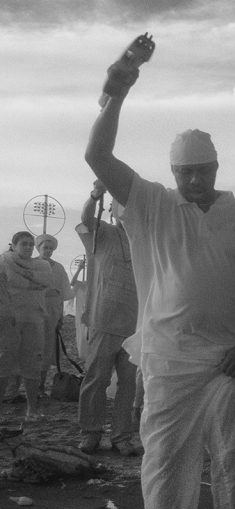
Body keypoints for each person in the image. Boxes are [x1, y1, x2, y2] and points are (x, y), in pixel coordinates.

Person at [85, 58, 235, 509]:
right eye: (185, 172)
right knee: (163, 463)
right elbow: (97, 155)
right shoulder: (153, 203)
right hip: (169, 361)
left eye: (202, 170)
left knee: (230, 460)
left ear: (217, 166)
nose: (194, 180)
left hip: (229, 360)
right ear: (173, 173)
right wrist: (117, 94)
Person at [75, 181, 140, 456]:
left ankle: (122, 436)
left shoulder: (145, 241)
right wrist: (95, 195)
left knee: (128, 385)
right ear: (112, 212)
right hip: (103, 318)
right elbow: (86, 218)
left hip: (135, 325)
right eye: (120, 207)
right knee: (96, 379)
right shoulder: (101, 234)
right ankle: (91, 433)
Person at [0, 231, 51, 420]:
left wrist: (26, 281)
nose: (28, 247)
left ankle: (33, 410)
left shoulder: (43, 265)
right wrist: (32, 283)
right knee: (4, 364)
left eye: (31, 244)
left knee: (32, 365)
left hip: (34, 319)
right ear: (14, 245)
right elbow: (7, 286)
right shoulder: (4, 262)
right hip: (10, 320)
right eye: (24, 244)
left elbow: (47, 281)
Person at [34, 234, 73, 393]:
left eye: (51, 248)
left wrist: (60, 318)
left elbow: (63, 293)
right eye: (45, 248)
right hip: (33, 310)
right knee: (31, 348)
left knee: (47, 349)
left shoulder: (58, 268)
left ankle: (41, 385)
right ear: (39, 248)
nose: (48, 251)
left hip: (52, 312)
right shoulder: (31, 264)